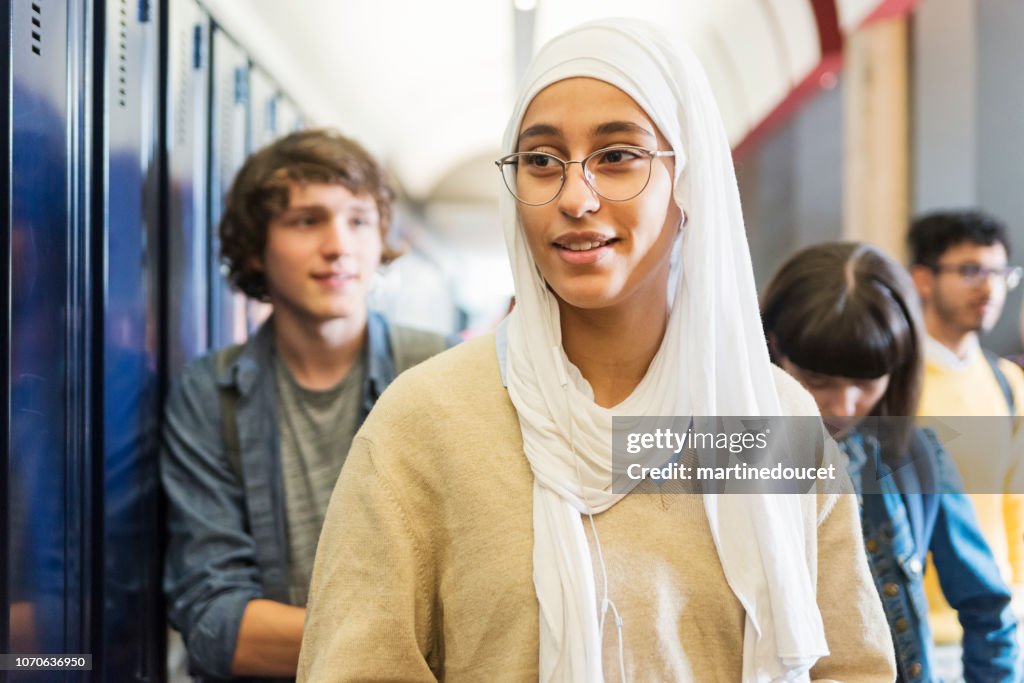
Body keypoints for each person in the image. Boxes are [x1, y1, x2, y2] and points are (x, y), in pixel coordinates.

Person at [298, 19, 895, 681]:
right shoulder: (426, 422)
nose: (575, 197)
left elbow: (850, 666)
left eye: (617, 156)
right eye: (541, 161)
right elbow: (357, 666)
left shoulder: (767, 417)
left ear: (686, 178)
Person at [161, 129, 449, 681]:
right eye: (307, 220)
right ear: (255, 247)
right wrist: (401, 643)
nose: (338, 244)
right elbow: (216, 621)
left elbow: (478, 594)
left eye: (359, 220)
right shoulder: (207, 393)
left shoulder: (438, 372)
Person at [763, 241, 1019, 682]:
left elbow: (987, 606)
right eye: (817, 380)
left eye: (866, 381)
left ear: (898, 368)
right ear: (773, 349)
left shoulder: (914, 455)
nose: (843, 405)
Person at [907, 211, 1024, 642]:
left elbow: (1016, 502)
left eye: (1000, 273)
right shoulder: (889, 382)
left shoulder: (1008, 383)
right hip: (909, 629)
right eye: (971, 270)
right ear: (924, 278)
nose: (989, 288)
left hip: (992, 629)